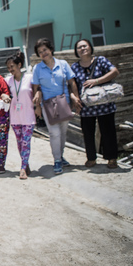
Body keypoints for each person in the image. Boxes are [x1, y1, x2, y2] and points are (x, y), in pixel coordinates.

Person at [32, 38, 82, 175]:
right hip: (48, 105)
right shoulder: (37, 68)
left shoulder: (63, 64)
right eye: (40, 51)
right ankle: (57, 160)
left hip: (63, 103)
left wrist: (75, 98)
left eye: (45, 50)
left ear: (51, 49)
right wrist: (37, 106)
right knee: (54, 133)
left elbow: (72, 82)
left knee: (63, 132)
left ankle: (60, 155)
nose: (43, 53)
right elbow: (35, 88)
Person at [71, 39, 120, 169]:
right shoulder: (74, 67)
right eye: (79, 47)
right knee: (88, 133)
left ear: (90, 47)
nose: (82, 48)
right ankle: (91, 158)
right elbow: (72, 84)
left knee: (108, 132)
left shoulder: (101, 61)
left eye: (84, 46)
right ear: (76, 51)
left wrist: (97, 81)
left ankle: (112, 158)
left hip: (105, 105)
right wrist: (75, 99)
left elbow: (114, 72)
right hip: (86, 107)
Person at [5, 52, 36, 180]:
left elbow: (37, 91)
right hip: (15, 117)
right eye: (8, 67)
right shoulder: (8, 81)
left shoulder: (30, 78)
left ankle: (22, 168)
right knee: (19, 143)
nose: (10, 69)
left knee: (25, 142)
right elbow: (3, 92)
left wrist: (38, 107)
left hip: (28, 116)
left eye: (12, 66)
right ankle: (26, 163)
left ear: (19, 65)